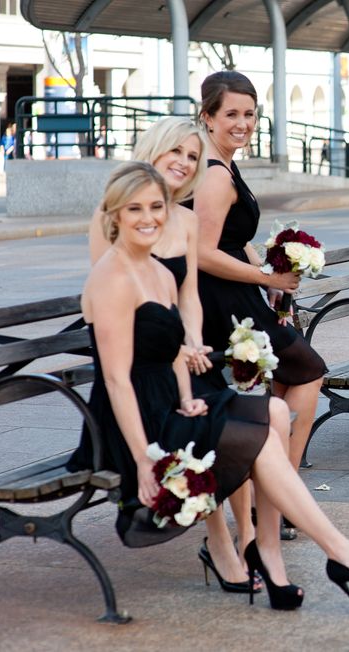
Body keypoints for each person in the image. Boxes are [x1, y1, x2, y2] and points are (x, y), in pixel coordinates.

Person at [71, 161, 349, 613]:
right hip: (132, 422)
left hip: (172, 400)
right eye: (135, 209)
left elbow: (170, 352)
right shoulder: (112, 278)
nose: (148, 217)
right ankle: (340, 556)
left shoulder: (157, 270)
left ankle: (280, 552)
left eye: (156, 207)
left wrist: (188, 396)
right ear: (114, 215)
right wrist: (144, 460)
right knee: (260, 432)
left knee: (273, 413)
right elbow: (115, 379)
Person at [88, 116, 264, 593]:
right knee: (225, 424)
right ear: (154, 149)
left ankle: (251, 539)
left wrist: (192, 341)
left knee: (247, 416)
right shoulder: (114, 215)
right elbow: (115, 301)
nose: (185, 162)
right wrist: (177, 347)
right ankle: (223, 543)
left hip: (175, 360)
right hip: (137, 370)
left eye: (193, 156)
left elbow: (188, 297)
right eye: (177, 152)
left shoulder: (184, 219)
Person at [190, 71, 326, 543]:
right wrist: (268, 278)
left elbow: (235, 238)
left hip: (238, 292)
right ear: (207, 117)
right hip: (219, 301)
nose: (242, 123)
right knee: (307, 369)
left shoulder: (224, 164)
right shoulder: (213, 175)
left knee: (290, 378)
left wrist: (267, 267)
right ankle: (281, 493)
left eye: (249, 114)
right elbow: (203, 252)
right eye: (231, 114)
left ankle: (274, 491)